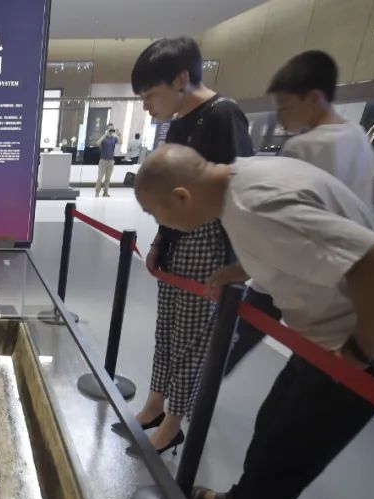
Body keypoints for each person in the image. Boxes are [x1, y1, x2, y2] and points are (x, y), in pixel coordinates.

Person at [133, 144, 374, 499]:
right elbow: (289, 243)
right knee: (273, 426)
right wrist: (239, 270)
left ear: (182, 197)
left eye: (155, 212)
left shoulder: (256, 207)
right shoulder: (240, 182)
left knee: (288, 452)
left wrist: (357, 355)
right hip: (324, 339)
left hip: (369, 348)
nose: (158, 222)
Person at [120, 37, 253, 455]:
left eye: (149, 95)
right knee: (167, 329)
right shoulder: (178, 122)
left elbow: (238, 190)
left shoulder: (222, 114)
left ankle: (173, 422)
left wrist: (237, 263)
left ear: (181, 79)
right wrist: (161, 239)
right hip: (177, 236)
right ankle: (154, 405)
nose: (147, 107)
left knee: (193, 338)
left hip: (207, 241)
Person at [219, 50, 374, 374]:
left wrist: (245, 267)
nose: (280, 117)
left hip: (299, 268)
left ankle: (193, 394)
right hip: (346, 277)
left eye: (285, 106)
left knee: (230, 346)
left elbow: (279, 218)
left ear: (314, 98)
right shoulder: (357, 135)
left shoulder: (303, 147)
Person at [94, 125, 118, 197]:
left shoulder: (114, 138)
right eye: (109, 129)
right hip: (103, 160)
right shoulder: (104, 138)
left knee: (108, 178)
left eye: (112, 129)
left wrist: (117, 134)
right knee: (100, 177)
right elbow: (97, 143)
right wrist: (105, 135)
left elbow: (120, 142)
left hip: (111, 161)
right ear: (107, 129)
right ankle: (97, 192)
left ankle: (105, 192)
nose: (111, 130)